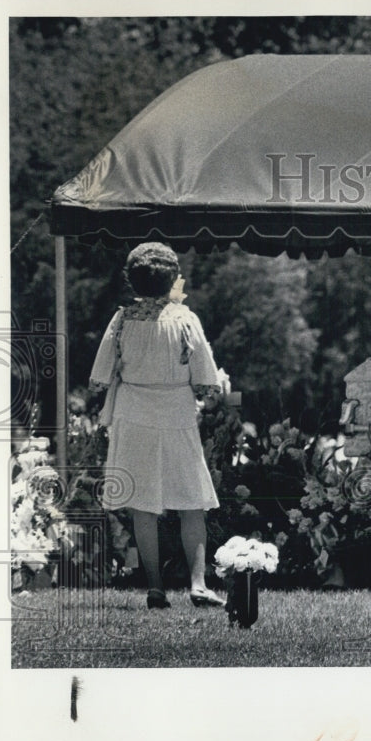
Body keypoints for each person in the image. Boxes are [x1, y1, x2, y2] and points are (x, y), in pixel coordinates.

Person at [89, 242, 225, 610]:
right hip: (176, 413)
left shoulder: (121, 320)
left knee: (142, 506)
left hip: (133, 414)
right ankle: (198, 584)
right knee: (192, 502)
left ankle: (155, 588)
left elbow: (99, 378)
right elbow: (207, 381)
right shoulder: (185, 319)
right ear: (173, 278)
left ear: (131, 280)